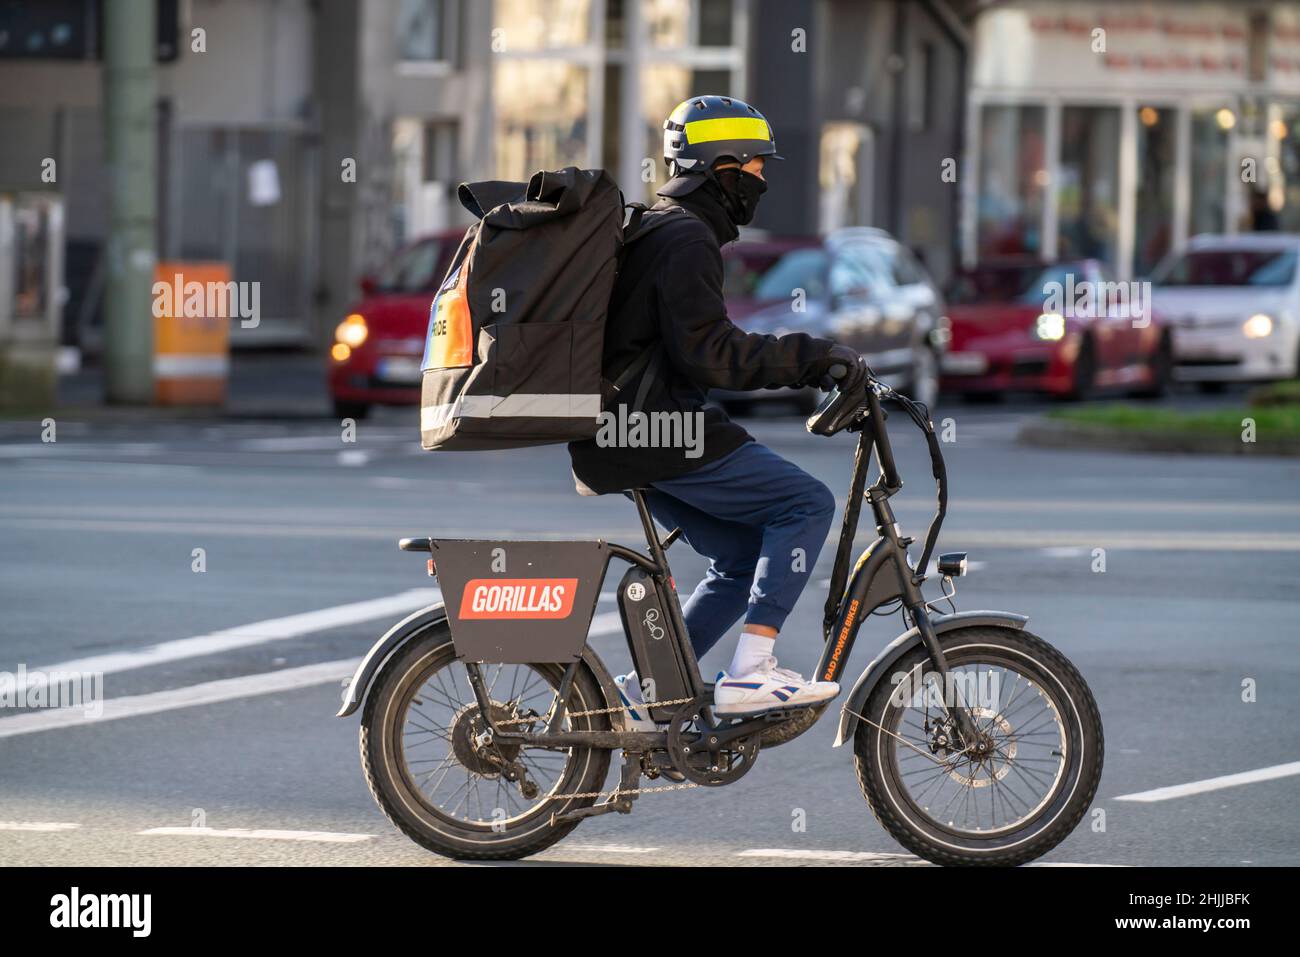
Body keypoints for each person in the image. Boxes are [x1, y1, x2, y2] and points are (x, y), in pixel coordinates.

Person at [567, 95, 867, 723]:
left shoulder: (660, 224)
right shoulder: (684, 239)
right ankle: (751, 672)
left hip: (622, 432)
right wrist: (814, 358)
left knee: (738, 557)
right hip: (656, 430)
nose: (762, 180)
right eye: (757, 167)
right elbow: (711, 355)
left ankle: (645, 697)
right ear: (723, 168)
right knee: (806, 503)